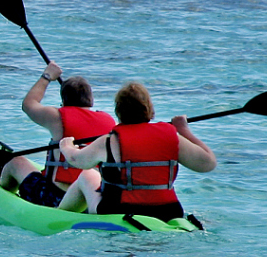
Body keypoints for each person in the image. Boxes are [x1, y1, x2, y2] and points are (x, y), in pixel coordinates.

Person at [55, 80, 215, 223]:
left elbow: (78, 161)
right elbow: (208, 164)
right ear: (149, 109)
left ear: (119, 111)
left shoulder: (109, 140)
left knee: (87, 175)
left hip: (119, 211)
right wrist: (184, 130)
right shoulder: (173, 137)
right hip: (168, 212)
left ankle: (58, 216)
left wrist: (66, 145)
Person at [0, 61, 113, 212]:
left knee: (14, 161)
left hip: (56, 198)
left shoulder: (58, 117)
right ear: (90, 99)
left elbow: (28, 104)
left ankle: (2, 195)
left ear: (64, 100)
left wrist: (47, 76)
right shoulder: (108, 120)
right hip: (90, 197)